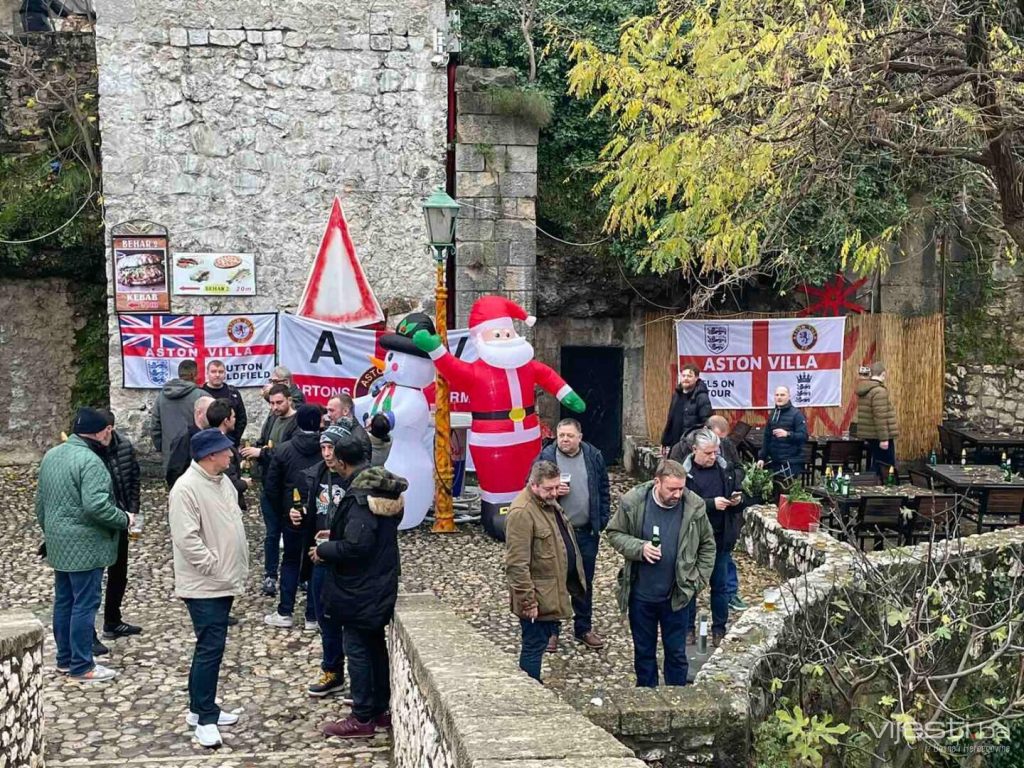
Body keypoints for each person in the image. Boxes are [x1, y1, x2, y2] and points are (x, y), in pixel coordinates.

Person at [412, 295, 585, 539]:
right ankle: (498, 515)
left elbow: (548, 376)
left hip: (528, 434)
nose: (504, 338)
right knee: (498, 481)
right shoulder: (476, 371)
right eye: (497, 334)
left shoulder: (528, 366)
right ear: (480, 338)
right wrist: (436, 349)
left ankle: (535, 514)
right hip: (493, 438)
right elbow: (452, 369)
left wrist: (566, 394)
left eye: (507, 333)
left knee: (530, 474)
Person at [316, 437, 407, 739]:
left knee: (357, 649)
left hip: (360, 588)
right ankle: (379, 710)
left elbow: (358, 544)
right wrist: (337, 532)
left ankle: (363, 716)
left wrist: (325, 549)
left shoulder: (359, 496)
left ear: (342, 462)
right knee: (374, 647)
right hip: (379, 581)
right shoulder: (382, 488)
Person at [36, 407, 132, 682]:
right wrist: (123, 519)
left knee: (64, 602)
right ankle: (81, 665)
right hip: (86, 546)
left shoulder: (52, 455)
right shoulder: (91, 462)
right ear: (102, 431)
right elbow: (96, 506)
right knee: (84, 604)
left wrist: (52, 532)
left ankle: (65, 660)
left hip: (59, 543)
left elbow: (40, 504)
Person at [168, 429, 249, 748]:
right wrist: (214, 565)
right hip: (205, 585)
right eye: (225, 451)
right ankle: (204, 718)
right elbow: (186, 538)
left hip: (222, 580)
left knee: (211, 646)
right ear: (210, 455)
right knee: (210, 648)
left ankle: (201, 707)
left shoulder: (221, 481)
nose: (231, 455)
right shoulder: (186, 488)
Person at [606, 460, 716, 688]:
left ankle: (677, 701)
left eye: (681, 488)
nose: (678, 494)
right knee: (644, 653)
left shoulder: (693, 507)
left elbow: (708, 545)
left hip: (676, 595)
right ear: (657, 482)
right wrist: (639, 548)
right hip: (641, 595)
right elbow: (614, 533)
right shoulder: (634, 502)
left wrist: (697, 581)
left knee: (676, 653)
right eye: (672, 489)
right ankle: (647, 699)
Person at [505, 460, 587, 683]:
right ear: (533, 486)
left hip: (551, 590)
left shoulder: (546, 503)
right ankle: (530, 689)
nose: (554, 492)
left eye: (556, 487)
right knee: (534, 645)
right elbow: (516, 564)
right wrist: (528, 601)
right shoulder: (522, 513)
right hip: (538, 595)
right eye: (549, 489)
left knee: (540, 642)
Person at [535, 418, 610, 651]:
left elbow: (604, 489)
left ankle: (583, 628)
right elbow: (532, 491)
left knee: (584, 582)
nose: (565, 440)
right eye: (561, 435)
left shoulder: (593, 455)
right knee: (554, 580)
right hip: (556, 531)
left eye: (569, 435)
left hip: (586, 531)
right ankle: (552, 631)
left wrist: (602, 520)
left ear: (580, 437)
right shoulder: (547, 457)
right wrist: (554, 493)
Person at [679, 429, 749, 647]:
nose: (712, 457)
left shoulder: (724, 468)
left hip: (719, 538)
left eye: (715, 452)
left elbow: (741, 494)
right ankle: (688, 629)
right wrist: (710, 504)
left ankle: (719, 629)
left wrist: (737, 500)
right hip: (692, 539)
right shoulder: (683, 472)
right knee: (689, 588)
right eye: (707, 453)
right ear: (694, 450)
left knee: (719, 588)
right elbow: (681, 504)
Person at [300, 424, 354, 699]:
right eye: (323, 448)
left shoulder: (353, 479)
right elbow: (315, 511)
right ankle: (332, 670)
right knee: (325, 616)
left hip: (346, 557)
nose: (327, 454)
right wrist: (300, 515)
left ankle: (357, 677)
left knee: (352, 621)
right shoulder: (318, 474)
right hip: (320, 556)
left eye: (331, 447)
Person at [263, 404, 324, 630]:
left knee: (290, 561)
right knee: (316, 561)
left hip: (293, 514)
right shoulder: (327, 449)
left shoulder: (283, 450)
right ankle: (312, 615)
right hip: (318, 514)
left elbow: (272, 487)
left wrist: (285, 510)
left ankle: (285, 611)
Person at [241, 383, 298, 597]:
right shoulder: (272, 418)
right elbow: (265, 441)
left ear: (289, 400)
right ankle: (270, 575)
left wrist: (261, 453)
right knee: (271, 534)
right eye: (272, 403)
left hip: (288, 488)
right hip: (270, 485)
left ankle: (296, 575)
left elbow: (289, 454)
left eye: (279, 402)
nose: (274, 407)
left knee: (292, 534)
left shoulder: (296, 423)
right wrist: (251, 451)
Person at [98, 409, 144, 640]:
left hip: (122, 519)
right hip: (100, 522)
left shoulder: (124, 446)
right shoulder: (90, 452)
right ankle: (88, 634)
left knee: (119, 574)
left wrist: (132, 509)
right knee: (94, 578)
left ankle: (112, 620)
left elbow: (134, 478)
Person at [705, 415, 747, 612]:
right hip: (702, 518)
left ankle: (730, 594)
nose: (718, 446)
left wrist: (734, 486)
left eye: (722, 439)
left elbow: (739, 468)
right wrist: (710, 502)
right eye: (716, 439)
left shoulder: (728, 446)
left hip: (725, 518)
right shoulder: (686, 447)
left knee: (724, 559)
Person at [150, 359, 203, 473]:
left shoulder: (161, 397)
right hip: (196, 455)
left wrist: (162, 448)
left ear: (179, 374)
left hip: (170, 454)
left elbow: (155, 426)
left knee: (174, 489)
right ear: (194, 374)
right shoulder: (202, 396)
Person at [856, 362, 899, 480]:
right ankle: (882, 489)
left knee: (877, 462)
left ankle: (870, 485)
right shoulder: (879, 391)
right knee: (886, 466)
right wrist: (884, 439)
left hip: (871, 434)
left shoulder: (866, 389)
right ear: (883, 374)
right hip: (879, 435)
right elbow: (880, 417)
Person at [206, 399, 250, 510]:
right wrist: (245, 484)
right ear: (226, 421)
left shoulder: (206, 439)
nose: (235, 420)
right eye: (234, 417)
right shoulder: (222, 447)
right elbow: (229, 483)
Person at [660, 364, 712, 457]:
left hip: (691, 446)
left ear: (696, 378)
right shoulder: (676, 395)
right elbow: (671, 420)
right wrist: (664, 442)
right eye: (683, 376)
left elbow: (706, 423)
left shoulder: (701, 397)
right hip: (675, 444)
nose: (686, 378)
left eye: (689, 376)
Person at [757, 386, 808, 481]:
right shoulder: (773, 414)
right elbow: (767, 437)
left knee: (787, 493)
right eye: (777, 395)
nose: (779, 397)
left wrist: (787, 434)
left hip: (791, 463)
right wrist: (762, 458)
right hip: (775, 462)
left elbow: (804, 436)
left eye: (782, 395)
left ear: (789, 396)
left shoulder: (797, 414)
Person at [166, 396, 215, 489]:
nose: (215, 415)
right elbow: (175, 472)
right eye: (211, 411)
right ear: (199, 413)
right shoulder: (184, 439)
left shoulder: (212, 435)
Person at [202, 359, 248, 446]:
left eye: (221, 372)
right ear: (207, 373)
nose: (217, 375)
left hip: (230, 442)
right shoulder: (200, 394)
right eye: (213, 372)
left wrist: (234, 438)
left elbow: (242, 419)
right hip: (207, 443)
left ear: (225, 374)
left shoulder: (233, 393)